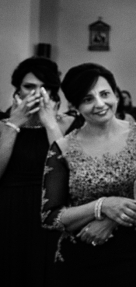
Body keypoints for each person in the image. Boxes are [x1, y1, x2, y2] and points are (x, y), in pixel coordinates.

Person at [41, 63, 136, 286]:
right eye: (88, 99)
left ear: (115, 95)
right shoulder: (62, 148)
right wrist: (103, 205)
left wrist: (111, 221)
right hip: (80, 259)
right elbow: (50, 217)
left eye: (105, 94)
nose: (100, 104)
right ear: (75, 106)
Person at [0, 57, 74, 287]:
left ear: (52, 91)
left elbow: (70, 171)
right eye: (29, 87)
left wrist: (50, 123)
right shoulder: (2, 124)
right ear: (17, 91)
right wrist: (14, 124)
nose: (36, 93)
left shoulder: (68, 123)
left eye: (43, 87)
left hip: (51, 208)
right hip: (9, 210)